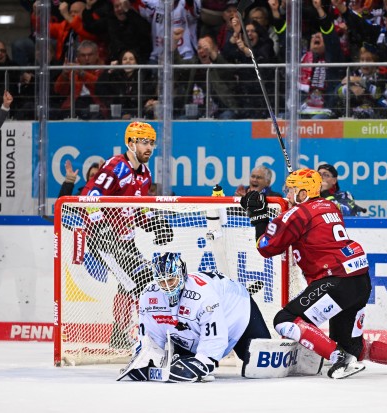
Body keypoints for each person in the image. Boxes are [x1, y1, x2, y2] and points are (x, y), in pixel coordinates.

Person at [241, 168, 387, 379]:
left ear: (303, 193)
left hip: (336, 282)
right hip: (359, 282)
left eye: (291, 189)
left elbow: (266, 247)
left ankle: (338, 358)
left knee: (284, 320)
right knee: (353, 346)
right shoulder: (330, 205)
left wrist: (258, 216)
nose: (287, 194)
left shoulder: (298, 213)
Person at [80, 121, 174, 348]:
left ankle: (120, 336)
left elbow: (138, 209)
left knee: (129, 284)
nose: (149, 147)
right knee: (142, 281)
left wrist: (155, 224)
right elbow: (89, 196)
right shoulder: (116, 167)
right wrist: (100, 227)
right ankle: (145, 335)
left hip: (126, 239)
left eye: (151, 142)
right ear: (130, 143)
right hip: (104, 240)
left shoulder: (145, 174)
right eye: (143, 142)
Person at [120, 252, 271, 382]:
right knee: (180, 364)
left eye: (171, 280)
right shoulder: (149, 294)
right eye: (161, 282)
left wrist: (205, 361)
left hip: (237, 312)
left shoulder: (202, 295)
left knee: (263, 366)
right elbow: (149, 336)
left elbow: (215, 337)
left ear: (182, 274)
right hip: (193, 328)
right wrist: (144, 357)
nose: (167, 286)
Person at [53, 40, 107, 119]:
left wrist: (82, 73)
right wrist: (64, 74)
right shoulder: (73, 69)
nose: (86, 58)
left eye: (90, 55)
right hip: (74, 104)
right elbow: (59, 91)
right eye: (83, 55)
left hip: (95, 105)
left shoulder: (103, 69)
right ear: (78, 56)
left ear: (97, 55)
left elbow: (100, 87)